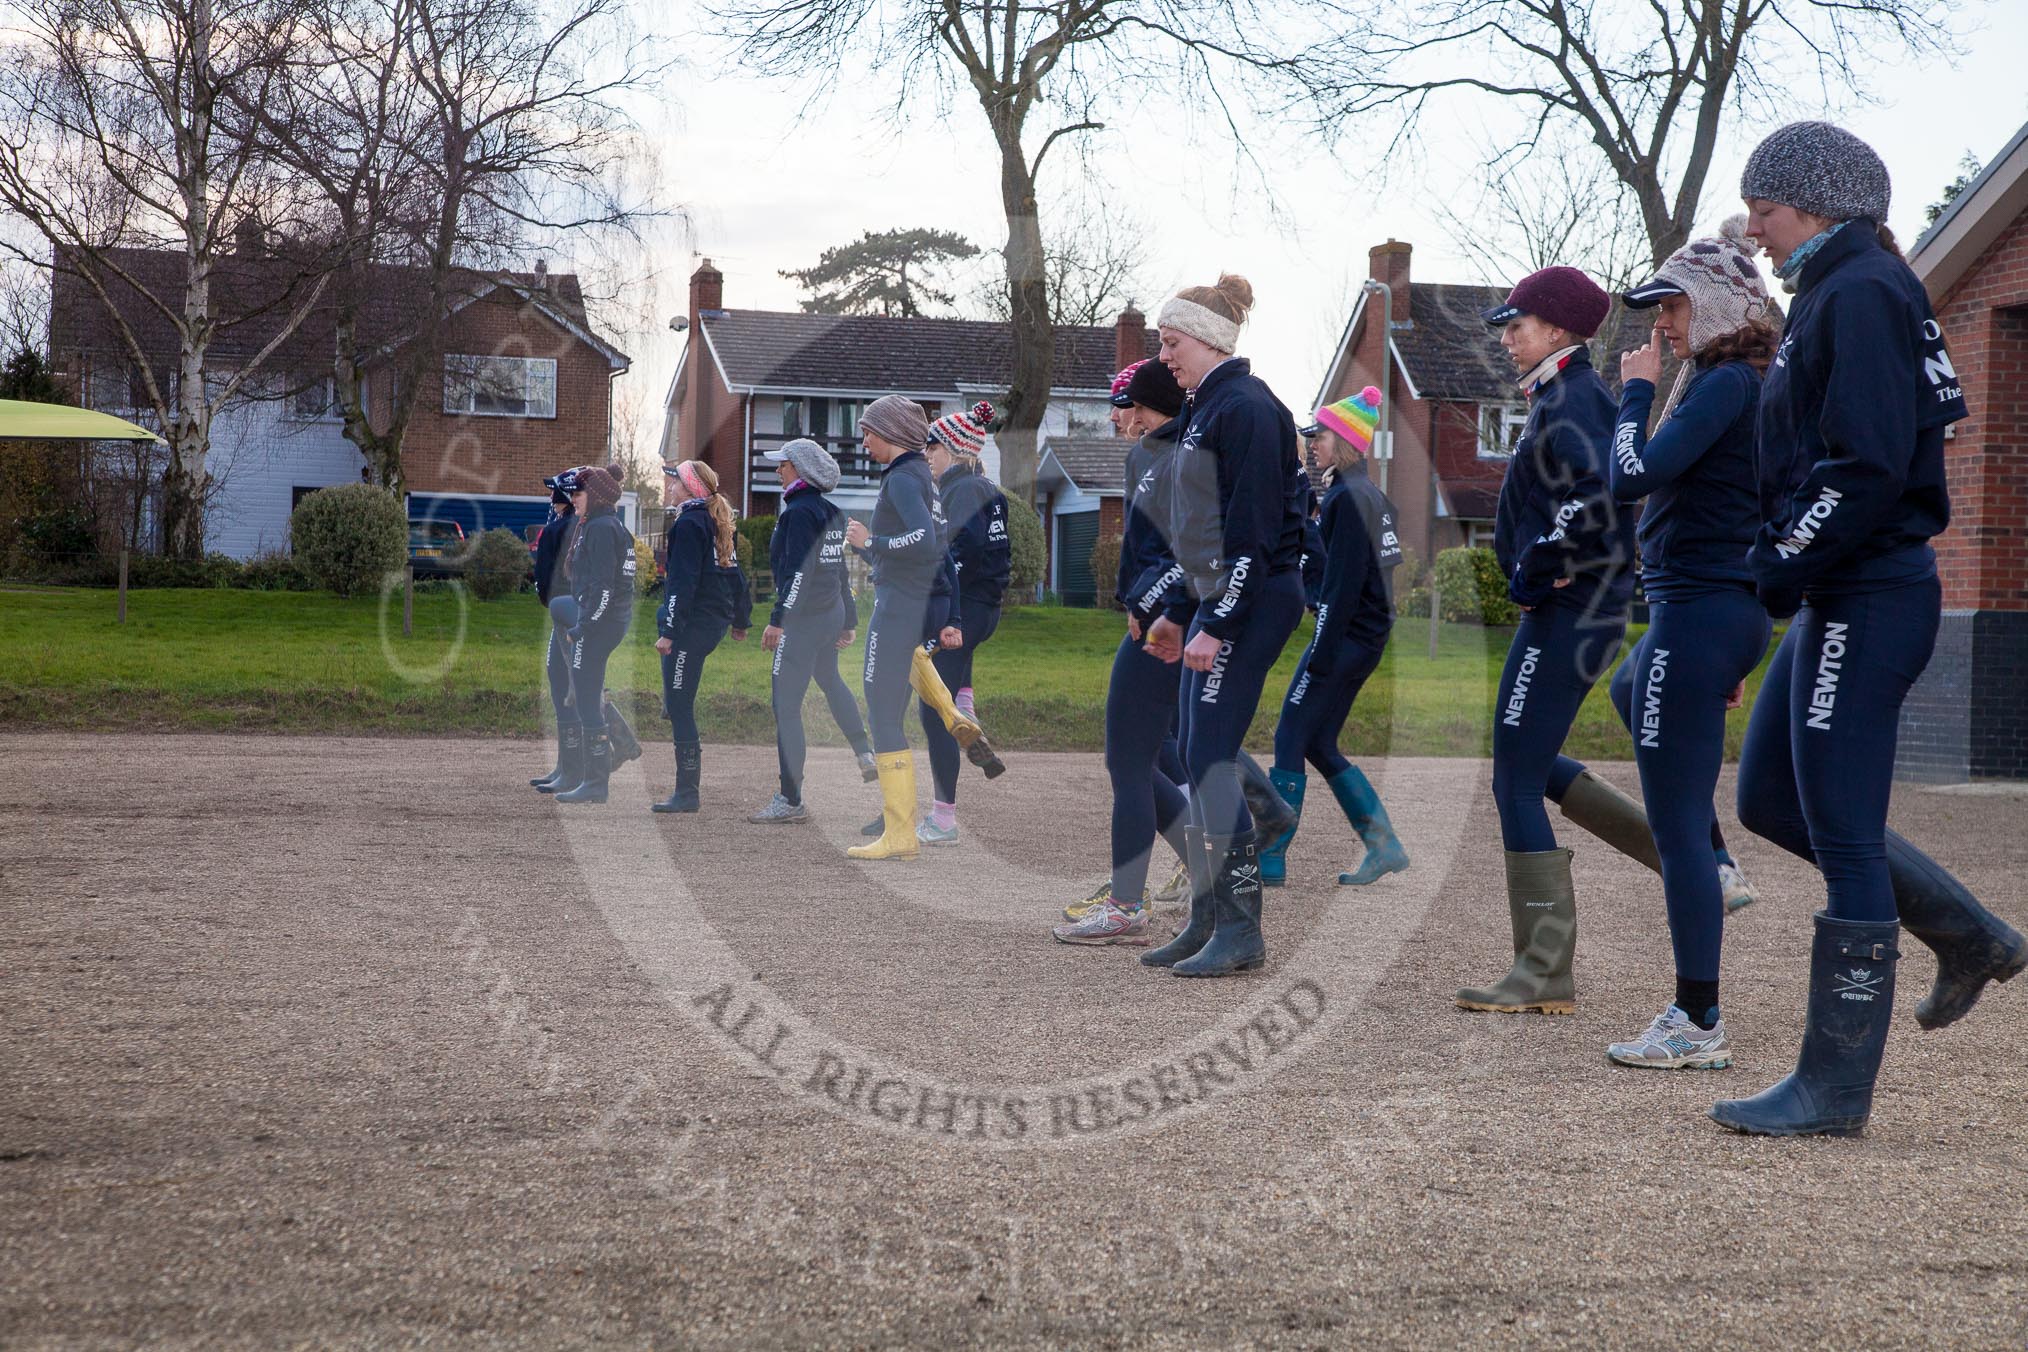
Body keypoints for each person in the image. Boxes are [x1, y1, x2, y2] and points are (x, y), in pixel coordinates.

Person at [1710, 123, 2025, 1136]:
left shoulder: (1859, 293)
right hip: (1837, 590)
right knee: (1768, 796)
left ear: (1823, 200)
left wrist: (1772, 568)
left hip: (1871, 590)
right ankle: (1967, 931)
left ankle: (1833, 1086)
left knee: (1841, 827)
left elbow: (1868, 465)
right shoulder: (1833, 292)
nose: (1752, 223)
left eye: (1767, 203)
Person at [1593, 217, 1778, 1069]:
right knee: (1630, 693)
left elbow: (1635, 474)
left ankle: (1697, 1021)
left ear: (1710, 305)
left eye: (1669, 309)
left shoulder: (1724, 384)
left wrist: (1636, 391)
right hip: (1705, 614)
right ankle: (1718, 861)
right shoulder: (1735, 379)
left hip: (1702, 609)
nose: (1659, 327)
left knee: (1670, 829)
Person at [1454, 267, 1635, 1013]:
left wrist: (1539, 564)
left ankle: (1543, 968)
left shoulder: (1573, 397)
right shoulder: (1557, 395)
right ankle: (1696, 861)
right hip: (1571, 610)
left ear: (1558, 331)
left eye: (1517, 324)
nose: (1506, 337)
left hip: (1571, 610)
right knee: (1520, 761)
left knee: (1515, 780)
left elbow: (1599, 498)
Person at [1135, 273, 1308, 978]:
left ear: (1208, 339)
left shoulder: (1247, 407)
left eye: (1172, 343)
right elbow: (1198, 533)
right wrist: (1179, 614)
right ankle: (1208, 919)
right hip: (1219, 599)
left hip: (1257, 595)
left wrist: (1217, 621)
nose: (1165, 357)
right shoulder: (1208, 406)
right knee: (1192, 746)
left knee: (1208, 759)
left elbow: (1251, 533)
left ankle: (1241, 931)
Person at [1054, 359, 1196, 943]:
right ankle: (1216, 872)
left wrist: (1148, 606)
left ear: (1147, 407)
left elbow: (1188, 554)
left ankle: (1127, 907)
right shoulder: (1151, 453)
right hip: (1152, 619)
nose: (1121, 415)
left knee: (1129, 764)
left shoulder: (1178, 456)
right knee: (1136, 762)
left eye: (1129, 404)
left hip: (1163, 626)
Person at [1257, 386, 1411, 890]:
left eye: (1319, 434)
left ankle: (1271, 857)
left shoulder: (1347, 498)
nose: (1312, 442)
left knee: (1288, 736)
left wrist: (1321, 652)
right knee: (1319, 743)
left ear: (1343, 440)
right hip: (1366, 641)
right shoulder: (1372, 496)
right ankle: (1383, 846)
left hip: (1343, 639)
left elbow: (1343, 587)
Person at [843, 395, 1000, 861]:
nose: (864, 439)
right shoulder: (925, 480)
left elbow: (922, 540)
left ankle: (899, 833)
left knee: (882, 712)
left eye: (869, 430)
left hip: (898, 607)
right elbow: (942, 554)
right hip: (917, 604)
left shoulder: (903, 479)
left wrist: (872, 540)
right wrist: (950, 616)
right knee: (898, 696)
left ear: (890, 432)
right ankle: (951, 711)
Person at [750, 438, 878, 824]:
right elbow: (838, 570)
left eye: (784, 464)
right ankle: (862, 750)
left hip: (804, 621)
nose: (778, 470)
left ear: (801, 472)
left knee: (786, 708)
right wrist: (849, 619)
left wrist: (777, 621)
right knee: (829, 677)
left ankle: (790, 800)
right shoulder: (832, 512)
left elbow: (798, 574)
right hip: (829, 615)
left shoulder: (798, 514)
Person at [912, 401, 1013, 847]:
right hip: (985, 608)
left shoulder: (960, 490)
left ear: (952, 449)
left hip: (966, 608)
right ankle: (966, 705)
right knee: (948, 693)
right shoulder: (985, 488)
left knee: (933, 707)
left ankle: (943, 819)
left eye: (932, 446)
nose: (927, 454)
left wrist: (936, 593)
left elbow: (962, 552)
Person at [650, 459, 751, 814]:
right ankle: (670, 696)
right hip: (712, 621)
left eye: (675, 482)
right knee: (677, 697)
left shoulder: (689, 523)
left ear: (690, 487)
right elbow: (735, 575)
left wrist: (670, 632)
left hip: (694, 625)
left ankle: (687, 793)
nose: (670, 487)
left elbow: (682, 583)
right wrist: (741, 619)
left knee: (680, 706)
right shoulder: (713, 519)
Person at [553, 464, 637, 805]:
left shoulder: (602, 529)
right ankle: (596, 777)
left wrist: (582, 628)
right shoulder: (605, 525)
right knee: (559, 605)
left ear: (597, 496)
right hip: (605, 619)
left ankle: (595, 782)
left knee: (588, 701)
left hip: (600, 623)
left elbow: (604, 589)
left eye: (578, 493)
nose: (573, 499)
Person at [530, 468, 581, 791]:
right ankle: (567, 765)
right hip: (572, 613)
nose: (551, 497)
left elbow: (545, 578)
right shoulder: (577, 526)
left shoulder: (559, 529)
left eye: (556, 492)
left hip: (565, 616)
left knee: (566, 686)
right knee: (566, 683)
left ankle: (572, 769)